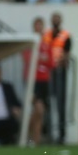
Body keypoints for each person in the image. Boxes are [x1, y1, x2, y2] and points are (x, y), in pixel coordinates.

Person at [22, 17, 53, 145]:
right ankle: (27, 134)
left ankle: (35, 140)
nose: (38, 28)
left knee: (40, 112)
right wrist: (42, 59)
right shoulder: (30, 43)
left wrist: (40, 59)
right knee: (39, 109)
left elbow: (51, 62)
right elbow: (28, 59)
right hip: (32, 81)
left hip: (44, 81)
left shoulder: (46, 44)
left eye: (41, 25)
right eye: (36, 25)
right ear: (33, 27)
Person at [44, 12, 71, 144]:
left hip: (60, 71)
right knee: (48, 102)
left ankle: (61, 134)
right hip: (48, 71)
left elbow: (67, 52)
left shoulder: (65, 35)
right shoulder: (47, 35)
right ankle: (48, 133)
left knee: (61, 104)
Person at [0, 62, 22, 145]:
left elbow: (17, 103)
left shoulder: (7, 87)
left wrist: (16, 109)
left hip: (6, 120)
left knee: (12, 127)